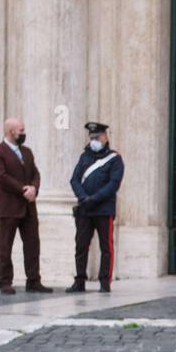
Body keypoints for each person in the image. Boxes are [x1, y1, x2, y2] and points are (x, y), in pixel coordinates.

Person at [0, 117, 50, 294]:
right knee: (5, 245)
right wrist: (23, 189)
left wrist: (34, 188)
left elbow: (35, 173)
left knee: (32, 244)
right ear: (10, 131)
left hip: (29, 206)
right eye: (21, 130)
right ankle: (5, 282)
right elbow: (2, 177)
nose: (24, 133)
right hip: (9, 207)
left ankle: (34, 280)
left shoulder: (27, 152)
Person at [67, 121, 125, 293]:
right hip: (85, 209)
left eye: (97, 137)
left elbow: (113, 184)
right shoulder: (84, 157)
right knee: (81, 246)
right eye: (92, 137)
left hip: (104, 209)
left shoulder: (115, 159)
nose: (94, 140)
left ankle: (105, 282)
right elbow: (74, 179)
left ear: (106, 137)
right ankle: (80, 280)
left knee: (106, 247)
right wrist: (83, 197)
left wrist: (94, 199)